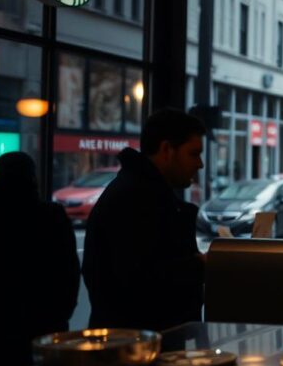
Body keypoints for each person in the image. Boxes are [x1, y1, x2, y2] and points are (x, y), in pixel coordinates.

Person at [83, 108, 206, 332]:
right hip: (136, 346)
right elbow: (140, 280)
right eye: (194, 153)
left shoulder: (136, 190)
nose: (200, 164)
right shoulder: (137, 198)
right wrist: (199, 265)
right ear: (167, 149)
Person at [0, 152, 79, 366]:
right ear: (33, 179)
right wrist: (60, 318)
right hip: (44, 330)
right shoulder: (51, 217)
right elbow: (69, 275)